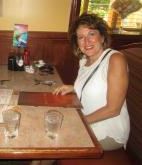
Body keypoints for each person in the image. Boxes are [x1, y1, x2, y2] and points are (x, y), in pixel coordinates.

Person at [54, 13, 130, 151]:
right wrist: (74, 87)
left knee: (54, 138)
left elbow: (113, 109)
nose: (86, 41)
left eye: (91, 34)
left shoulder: (115, 59)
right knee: (52, 130)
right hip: (88, 119)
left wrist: (77, 122)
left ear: (102, 37)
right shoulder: (84, 61)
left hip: (109, 131)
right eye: (81, 37)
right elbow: (98, 84)